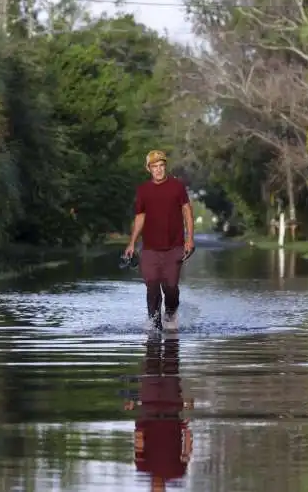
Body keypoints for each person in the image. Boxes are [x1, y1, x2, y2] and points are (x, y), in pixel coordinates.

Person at [125, 150, 194, 329]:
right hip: (149, 249)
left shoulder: (177, 186)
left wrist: (190, 239)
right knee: (152, 286)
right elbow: (140, 217)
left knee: (170, 288)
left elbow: (187, 211)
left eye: (161, 166)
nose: (158, 170)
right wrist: (132, 243)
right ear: (149, 169)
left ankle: (170, 316)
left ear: (165, 167)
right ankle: (154, 325)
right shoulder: (143, 190)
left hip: (174, 247)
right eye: (154, 166)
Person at [123, 331, 193, 491]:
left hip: (150, 407)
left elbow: (138, 439)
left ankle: (153, 334)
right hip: (171, 410)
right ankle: (169, 335)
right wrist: (187, 428)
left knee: (151, 366)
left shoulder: (143, 468)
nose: (157, 489)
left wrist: (139, 420)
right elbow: (186, 452)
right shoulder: (177, 473)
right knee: (171, 365)